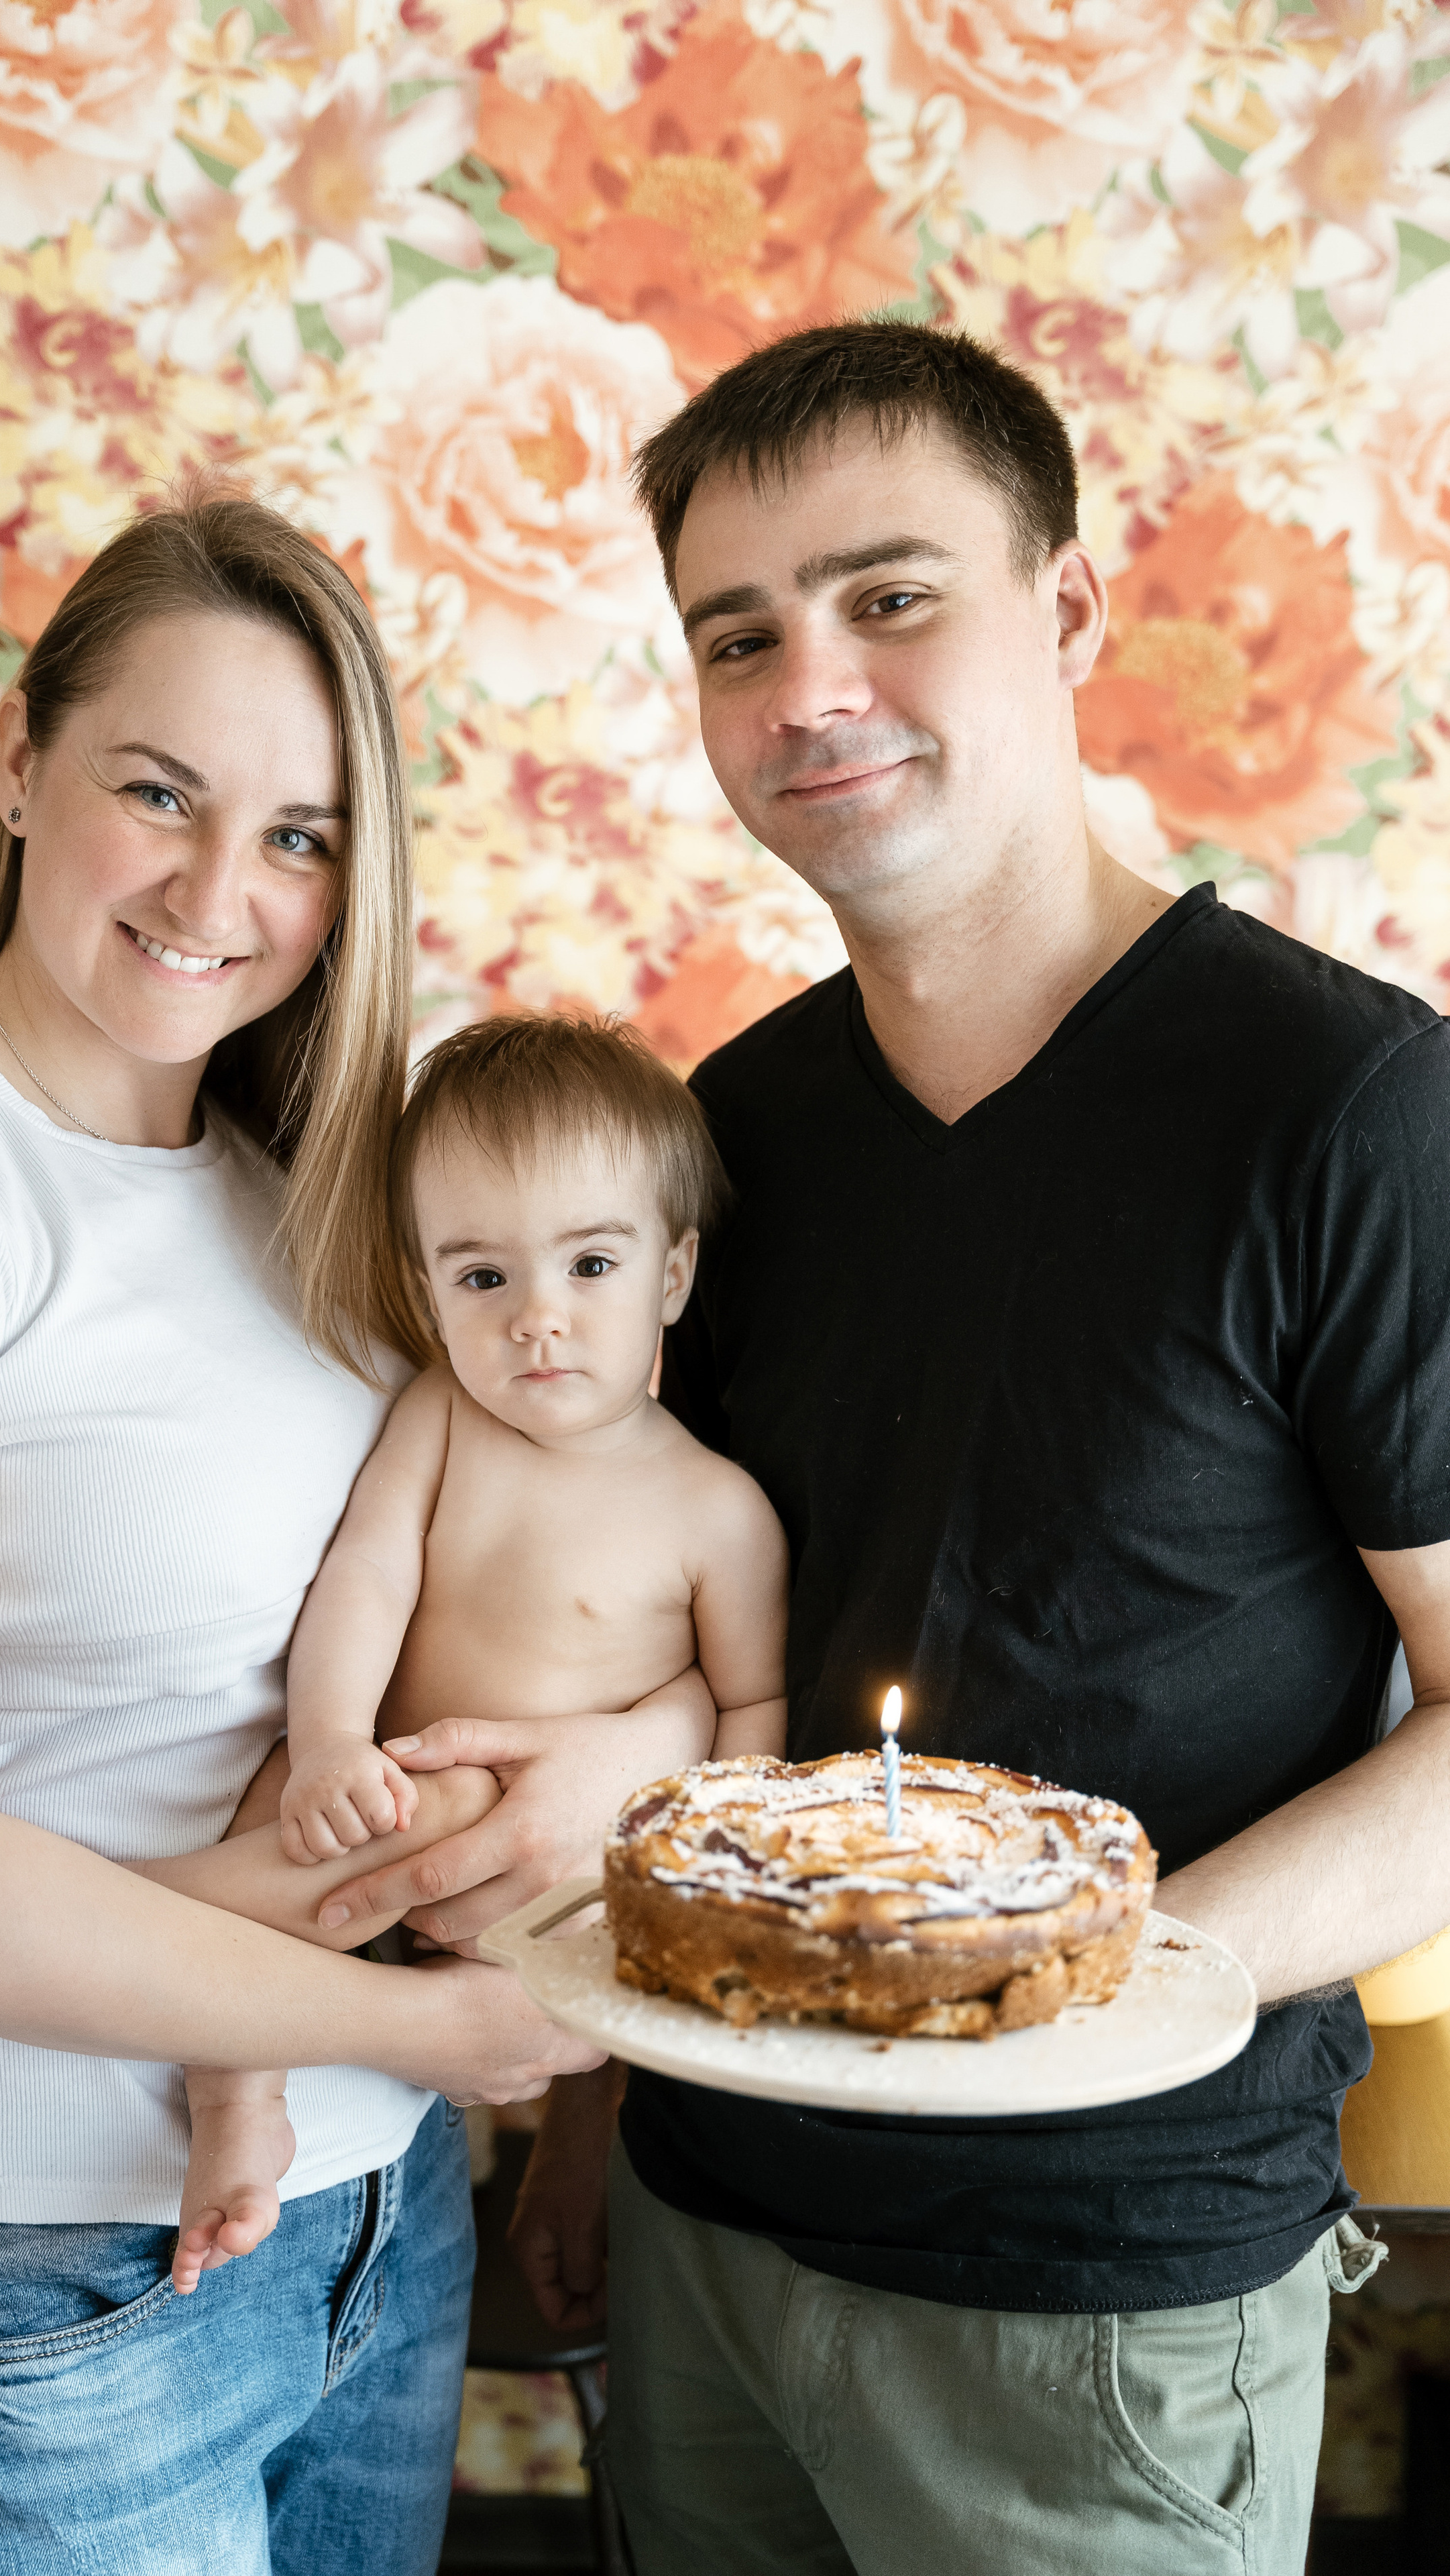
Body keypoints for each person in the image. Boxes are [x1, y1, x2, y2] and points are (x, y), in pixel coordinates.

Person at [502, 322, 1450, 2575]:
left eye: (890, 594)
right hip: (704, 2230)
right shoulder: (725, 1139)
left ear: (1072, 611)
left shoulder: (1351, 1113)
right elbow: (682, 1660)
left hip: (1104, 2297)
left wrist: (1070, 1995)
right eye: (740, 633)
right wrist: (585, 2110)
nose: (808, 685)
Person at [0, 492, 714, 2576]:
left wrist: (649, 1752)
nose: (218, 892)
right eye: (157, 793)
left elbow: (531, 1575)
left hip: (375, 2229)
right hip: (49, 2275)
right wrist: (413, 2029)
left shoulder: (321, 1204)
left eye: (297, 836)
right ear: (18, 764)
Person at [167, 1011, 789, 2294]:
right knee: (280, 1808)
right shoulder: (441, 1414)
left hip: (567, 1863)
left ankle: (94, 1916)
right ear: (429, 1284)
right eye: (483, 1277)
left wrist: (714, 1867)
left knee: (591, 2006)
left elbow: (755, 1704)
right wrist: (334, 1739)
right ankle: (237, 2109)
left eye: (591, 1268)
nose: (537, 1322)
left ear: (673, 1276)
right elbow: (366, 1577)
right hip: (387, 1779)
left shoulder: (718, 1510)